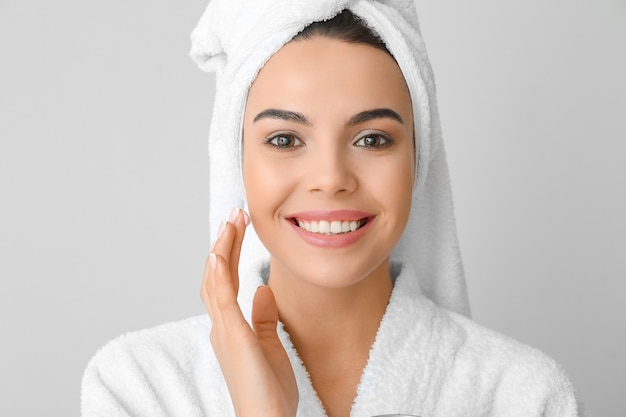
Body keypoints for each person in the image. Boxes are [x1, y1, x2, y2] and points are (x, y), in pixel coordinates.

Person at [81, 1, 586, 416]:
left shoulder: (522, 396)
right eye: (284, 138)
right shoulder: (140, 388)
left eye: (371, 138)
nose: (330, 178)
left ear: (418, 158)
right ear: (239, 162)